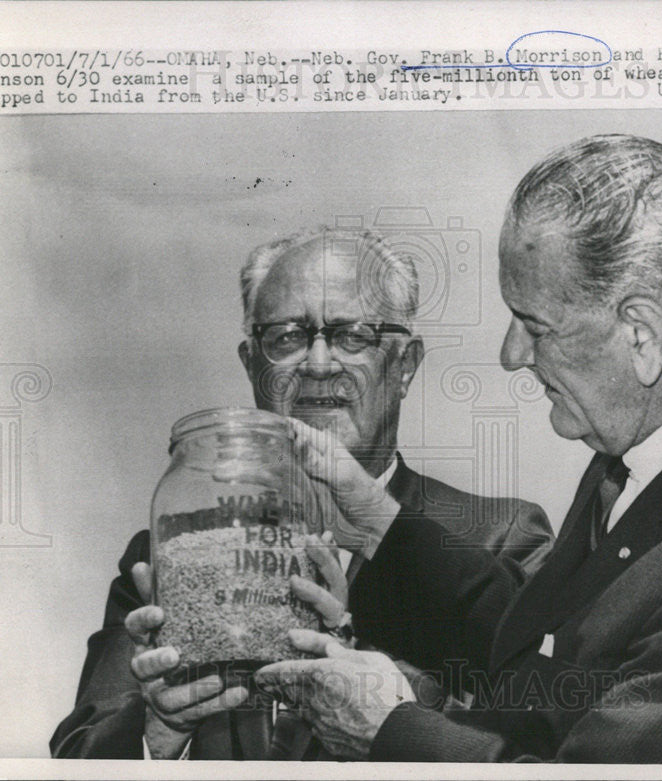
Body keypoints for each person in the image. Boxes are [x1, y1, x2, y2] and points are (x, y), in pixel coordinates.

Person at [255, 134, 662, 763]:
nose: (511, 354)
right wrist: (380, 525)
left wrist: (387, 731)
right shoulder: (650, 446)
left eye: (535, 326)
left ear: (644, 336)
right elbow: (556, 654)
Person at [50, 228, 553, 759]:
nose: (317, 364)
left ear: (405, 365)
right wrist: (158, 734)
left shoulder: (501, 540)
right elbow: (79, 757)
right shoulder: (173, 557)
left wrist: (383, 702)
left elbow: (544, 737)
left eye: (351, 335)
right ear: (252, 365)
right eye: (286, 337)